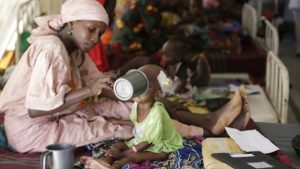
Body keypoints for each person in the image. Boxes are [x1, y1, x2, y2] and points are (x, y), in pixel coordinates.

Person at [0, 0, 249, 154]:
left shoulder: (75, 51)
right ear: (71, 23)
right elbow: (36, 110)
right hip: (32, 129)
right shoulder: (51, 49)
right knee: (123, 128)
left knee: (138, 108)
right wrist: (90, 90)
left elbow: (101, 83)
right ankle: (207, 131)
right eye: (91, 30)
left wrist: (134, 97)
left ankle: (209, 120)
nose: (96, 39)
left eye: (100, 32)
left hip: (59, 115)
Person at [80, 64, 184, 169]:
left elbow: (148, 142)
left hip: (161, 147)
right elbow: (138, 123)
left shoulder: (158, 113)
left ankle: (115, 166)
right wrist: (118, 121)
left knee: (133, 156)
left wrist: (123, 154)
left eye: (145, 87)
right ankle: (105, 160)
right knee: (118, 145)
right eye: (136, 84)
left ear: (157, 94)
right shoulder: (137, 104)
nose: (137, 90)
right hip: (142, 140)